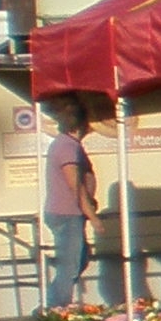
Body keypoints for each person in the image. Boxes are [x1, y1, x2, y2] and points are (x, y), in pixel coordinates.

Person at [41, 94, 100, 306]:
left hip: (69, 213)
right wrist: (93, 216)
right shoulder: (67, 146)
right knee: (70, 267)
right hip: (67, 214)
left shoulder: (68, 144)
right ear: (81, 123)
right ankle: (57, 310)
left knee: (78, 261)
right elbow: (74, 182)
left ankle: (55, 304)